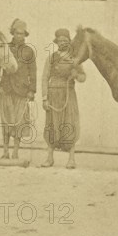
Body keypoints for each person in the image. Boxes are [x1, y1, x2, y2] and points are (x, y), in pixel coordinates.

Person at [40, 28, 86, 169]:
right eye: (60, 41)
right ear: (56, 42)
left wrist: (76, 75)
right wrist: (44, 98)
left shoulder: (75, 58)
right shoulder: (52, 58)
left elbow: (83, 77)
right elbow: (44, 78)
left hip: (68, 94)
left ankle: (71, 159)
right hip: (53, 95)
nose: (62, 43)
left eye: (65, 41)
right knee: (52, 125)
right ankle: (49, 158)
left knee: (70, 124)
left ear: (69, 42)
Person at [0, 19, 37, 159]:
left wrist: (32, 90)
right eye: (17, 33)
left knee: (19, 122)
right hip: (6, 89)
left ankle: (16, 151)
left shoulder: (29, 51)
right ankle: (5, 151)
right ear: (13, 33)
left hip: (22, 91)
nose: (20, 36)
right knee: (6, 121)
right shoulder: (5, 48)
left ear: (25, 35)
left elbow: (33, 72)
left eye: (22, 34)